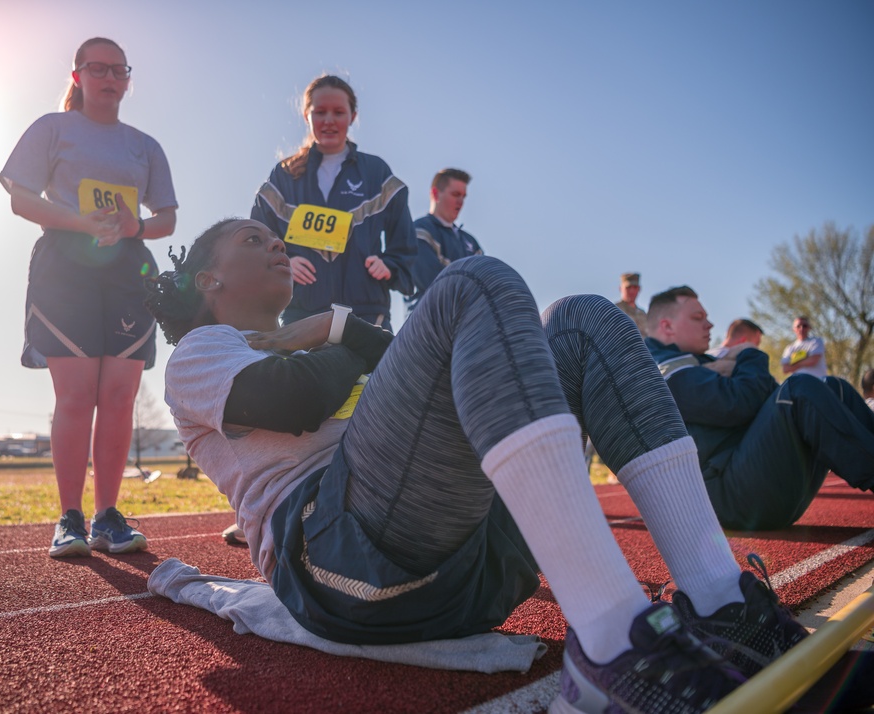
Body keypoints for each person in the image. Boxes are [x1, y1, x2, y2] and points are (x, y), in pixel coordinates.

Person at [145, 218, 812, 713]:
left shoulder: (298, 338)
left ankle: (723, 605)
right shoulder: (204, 350)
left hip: (468, 563)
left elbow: (415, 350)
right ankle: (613, 649)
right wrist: (337, 331)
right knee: (473, 281)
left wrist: (339, 329)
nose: (276, 244)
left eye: (275, 237)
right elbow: (295, 397)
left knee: (584, 320)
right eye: (253, 240)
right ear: (209, 279)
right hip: (338, 558)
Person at [0, 37, 177, 558]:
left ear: (127, 79)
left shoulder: (144, 145)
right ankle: (70, 518)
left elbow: (166, 218)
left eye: (117, 70)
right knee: (76, 396)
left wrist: (135, 225)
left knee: (119, 397)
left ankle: (108, 516)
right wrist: (80, 221)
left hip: (129, 269)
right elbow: (19, 198)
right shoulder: (51, 129)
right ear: (77, 76)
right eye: (96, 68)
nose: (108, 77)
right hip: (66, 266)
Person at [645, 286, 874, 531]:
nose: (710, 324)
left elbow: (765, 396)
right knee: (799, 388)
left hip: (748, 484)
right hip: (728, 498)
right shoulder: (665, 370)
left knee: (833, 387)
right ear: (667, 327)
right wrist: (749, 355)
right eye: (698, 318)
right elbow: (741, 404)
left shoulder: (696, 362)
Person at [251, 75, 416, 333]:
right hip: (300, 318)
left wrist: (390, 266)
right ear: (307, 115)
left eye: (339, 112)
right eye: (320, 112)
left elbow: (405, 244)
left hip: (369, 317)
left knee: (372, 376)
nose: (329, 120)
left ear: (353, 116)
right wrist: (284, 261)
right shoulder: (283, 176)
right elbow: (255, 237)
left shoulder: (377, 172)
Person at [403, 168, 483, 315]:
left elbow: (485, 285)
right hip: (427, 326)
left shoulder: (470, 242)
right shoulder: (420, 231)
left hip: (465, 329)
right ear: (435, 193)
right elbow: (434, 284)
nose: (461, 202)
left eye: (464, 197)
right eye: (455, 194)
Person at [615, 273, 648, 337]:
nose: (632, 291)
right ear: (621, 288)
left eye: (635, 287)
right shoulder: (615, 310)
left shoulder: (643, 314)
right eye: (628, 287)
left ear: (639, 289)